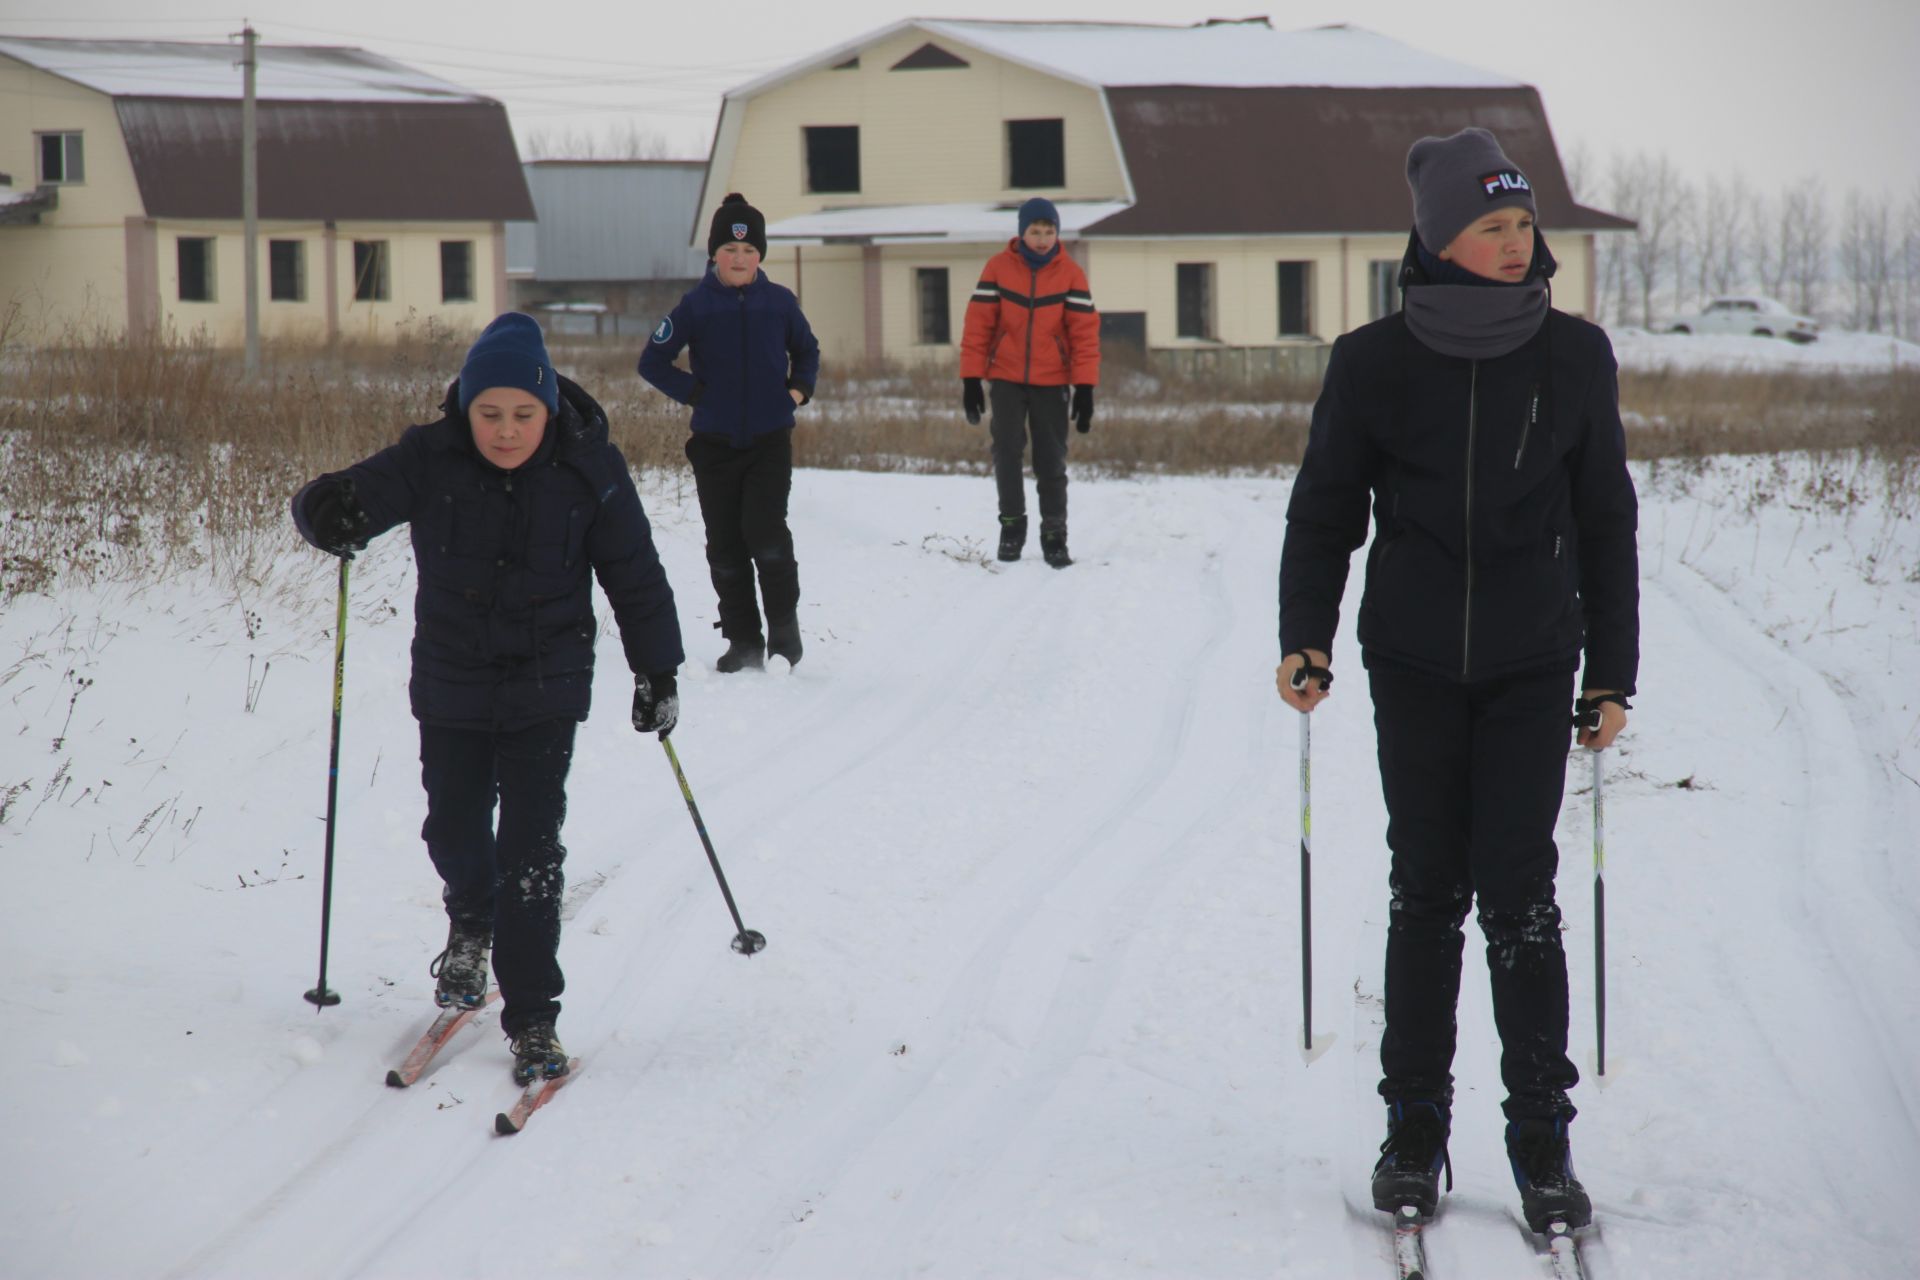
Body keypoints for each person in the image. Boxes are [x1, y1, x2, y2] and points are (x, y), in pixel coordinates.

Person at [1274, 127, 1639, 1235]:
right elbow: (1327, 508)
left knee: (1521, 895)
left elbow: (1606, 519)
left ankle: (1543, 1147)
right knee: (1427, 890)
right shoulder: (1374, 360)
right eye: (1494, 225)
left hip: (1535, 660)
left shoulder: (1574, 356)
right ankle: (1414, 1135)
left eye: (1525, 224)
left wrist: (1612, 669)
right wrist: (1308, 636)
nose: (1517, 242)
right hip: (1417, 660)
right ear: (1441, 236)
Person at [291, 312, 684, 1085]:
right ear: (466, 409)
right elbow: (347, 497)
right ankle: (471, 919)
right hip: (453, 677)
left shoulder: (589, 467)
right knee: (454, 825)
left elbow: (634, 573)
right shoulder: (429, 458)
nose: (506, 432)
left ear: (548, 409)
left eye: (523, 415)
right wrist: (325, 511)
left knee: (532, 855)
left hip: (547, 681)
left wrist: (657, 670)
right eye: (490, 414)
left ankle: (535, 1018)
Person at [639, 192, 821, 672]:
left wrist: (795, 394)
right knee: (725, 544)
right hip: (714, 445)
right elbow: (652, 361)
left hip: (768, 441)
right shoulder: (695, 306)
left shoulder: (780, 304)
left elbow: (808, 353)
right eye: (729, 250)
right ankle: (743, 640)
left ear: (759, 255)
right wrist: (696, 393)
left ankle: (784, 632)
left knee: (764, 532)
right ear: (714, 254)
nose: (739, 259)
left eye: (748, 251)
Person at [959, 196, 1100, 568]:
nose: (1042, 239)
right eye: (1035, 231)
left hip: (1052, 380)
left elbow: (1084, 335)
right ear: (1022, 233)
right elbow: (978, 326)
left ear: (1057, 234)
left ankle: (1054, 534)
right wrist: (971, 378)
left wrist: (1085, 388)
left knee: (1050, 459)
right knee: (1006, 450)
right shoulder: (997, 269)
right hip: (1005, 376)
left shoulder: (1070, 274)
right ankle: (1011, 526)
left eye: (1049, 231)